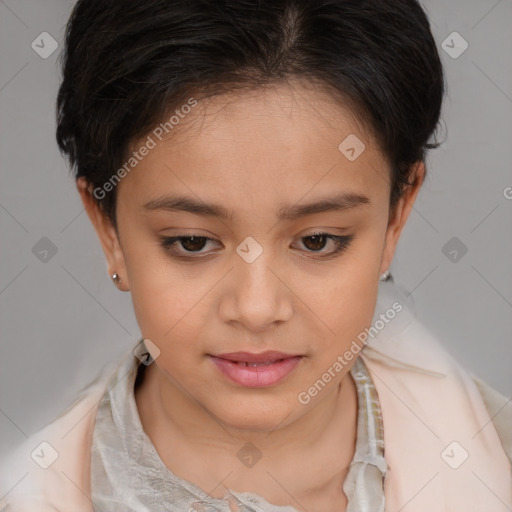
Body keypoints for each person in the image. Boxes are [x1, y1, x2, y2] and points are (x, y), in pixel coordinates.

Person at [0, 0, 511, 511]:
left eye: (317, 241)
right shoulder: (31, 494)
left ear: (395, 216)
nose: (256, 308)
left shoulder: (496, 462)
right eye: (193, 242)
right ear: (108, 227)